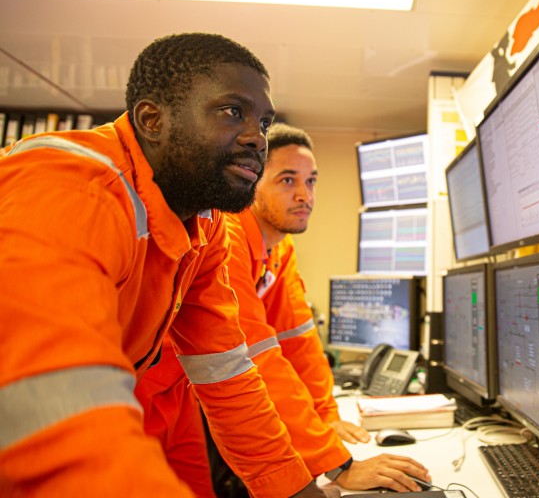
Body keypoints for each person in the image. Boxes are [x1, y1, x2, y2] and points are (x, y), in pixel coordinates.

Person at [0, 32, 336, 498]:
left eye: (263, 122)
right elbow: (54, 408)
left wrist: (296, 489)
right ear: (152, 119)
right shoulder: (71, 190)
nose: (255, 138)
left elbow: (225, 370)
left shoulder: (205, 223)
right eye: (232, 111)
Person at [136, 124, 431, 496]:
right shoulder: (227, 238)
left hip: (185, 393)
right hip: (144, 392)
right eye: (287, 180)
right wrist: (337, 463)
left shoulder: (280, 247)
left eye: (311, 182)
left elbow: (298, 339)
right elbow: (256, 354)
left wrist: (327, 419)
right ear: (253, 182)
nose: (304, 195)